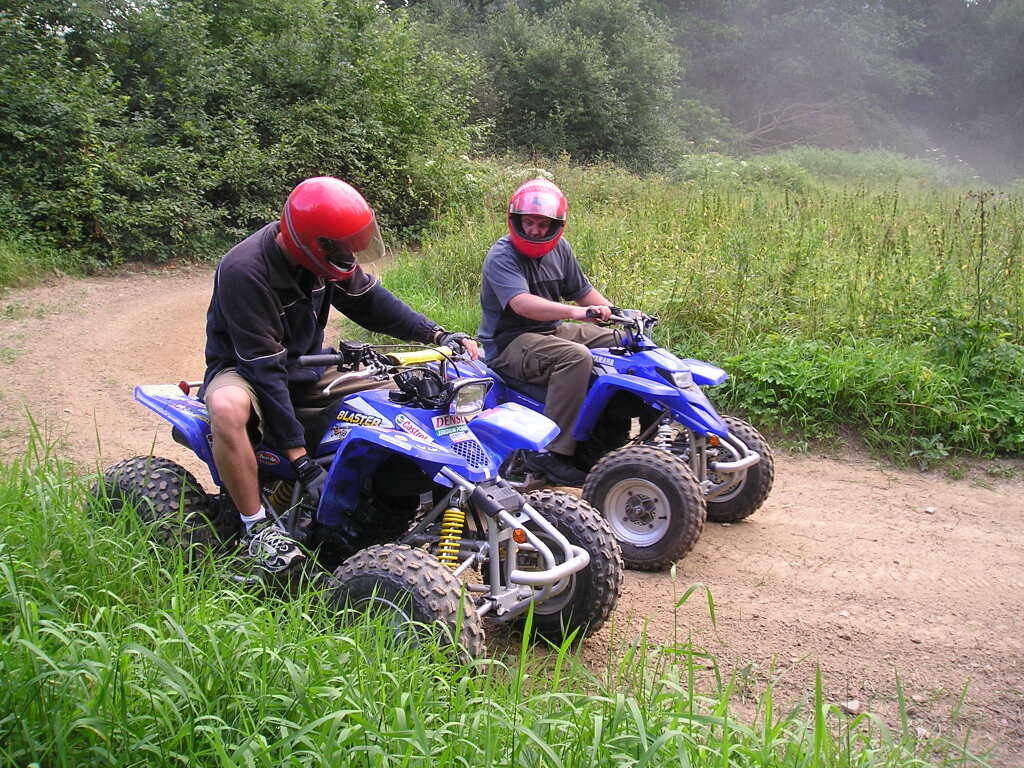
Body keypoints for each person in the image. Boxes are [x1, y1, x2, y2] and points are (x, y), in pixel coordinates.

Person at [201, 176, 478, 576]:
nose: (351, 255)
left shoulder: (325, 259)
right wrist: (299, 460)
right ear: (317, 245)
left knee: (401, 399)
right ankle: (256, 528)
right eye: (345, 247)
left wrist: (435, 334)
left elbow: (372, 303)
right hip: (244, 369)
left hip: (306, 365)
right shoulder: (245, 270)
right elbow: (264, 369)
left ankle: (399, 500)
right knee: (227, 408)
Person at [477, 177, 615, 486]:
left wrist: (618, 314)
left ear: (556, 226)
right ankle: (549, 453)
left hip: (550, 331)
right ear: (516, 220)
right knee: (576, 357)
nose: (535, 231)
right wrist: (576, 313)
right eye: (529, 222)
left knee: (623, 341)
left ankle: (622, 423)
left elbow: (584, 292)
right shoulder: (502, 255)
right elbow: (522, 304)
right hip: (509, 342)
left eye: (542, 224)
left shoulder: (560, 249)